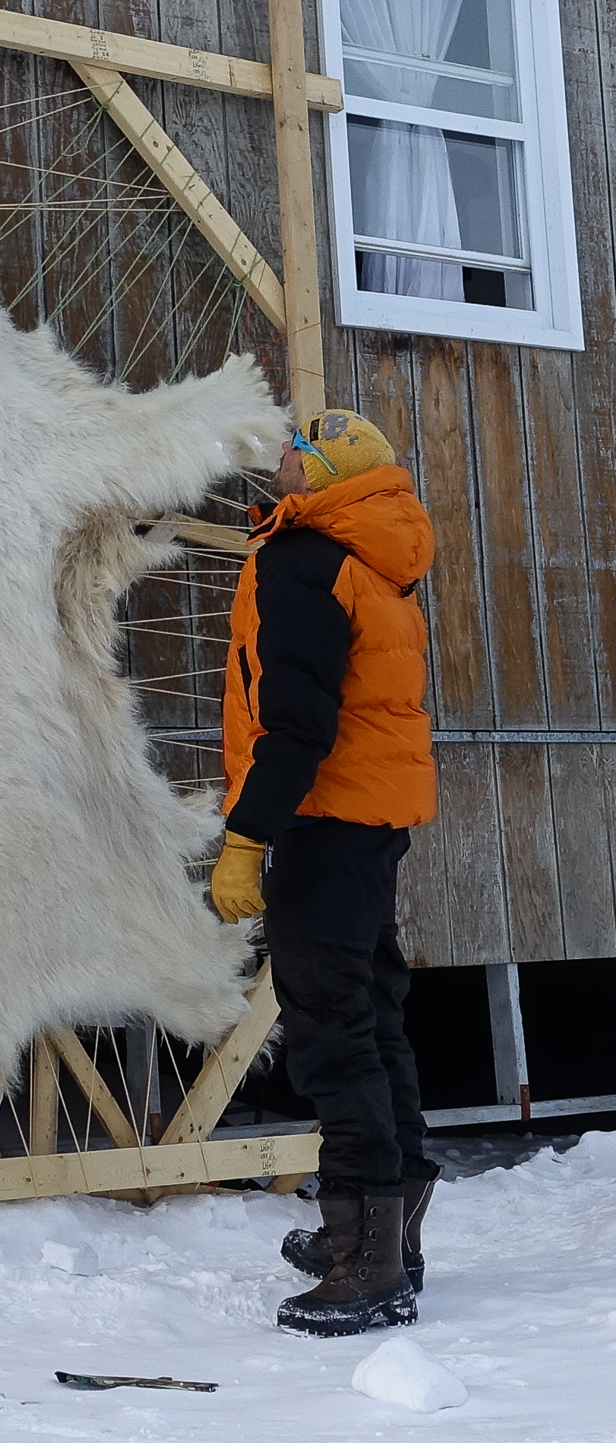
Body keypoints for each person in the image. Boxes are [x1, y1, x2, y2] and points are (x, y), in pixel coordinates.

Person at [210, 409, 440, 1339]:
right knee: (372, 1013)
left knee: (331, 1030)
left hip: (320, 817)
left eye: (294, 457)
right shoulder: (378, 557)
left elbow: (294, 721)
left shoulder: (302, 559)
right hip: (373, 818)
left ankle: (366, 1262)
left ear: (324, 472)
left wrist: (248, 836)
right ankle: (394, 1226)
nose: (280, 468)